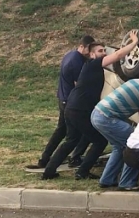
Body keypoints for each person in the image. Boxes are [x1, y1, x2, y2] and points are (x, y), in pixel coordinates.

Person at [41, 31, 139, 180]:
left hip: (72, 107)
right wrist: (134, 43)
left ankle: (49, 171)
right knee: (99, 141)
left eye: (104, 51)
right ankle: (82, 171)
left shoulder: (93, 67)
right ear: (92, 54)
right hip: (78, 110)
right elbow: (118, 56)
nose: (103, 53)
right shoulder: (93, 64)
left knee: (71, 140)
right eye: (100, 51)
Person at [94, 65, 139, 190]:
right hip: (108, 118)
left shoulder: (136, 81)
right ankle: (127, 182)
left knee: (119, 147)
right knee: (134, 146)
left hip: (97, 113)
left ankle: (107, 179)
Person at [27, 35, 94, 171]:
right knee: (76, 135)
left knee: (60, 131)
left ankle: (44, 159)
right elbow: (79, 85)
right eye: (89, 49)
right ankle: (71, 159)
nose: (90, 53)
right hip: (71, 102)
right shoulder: (77, 62)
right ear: (82, 46)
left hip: (63, 99)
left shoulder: (69, 55)